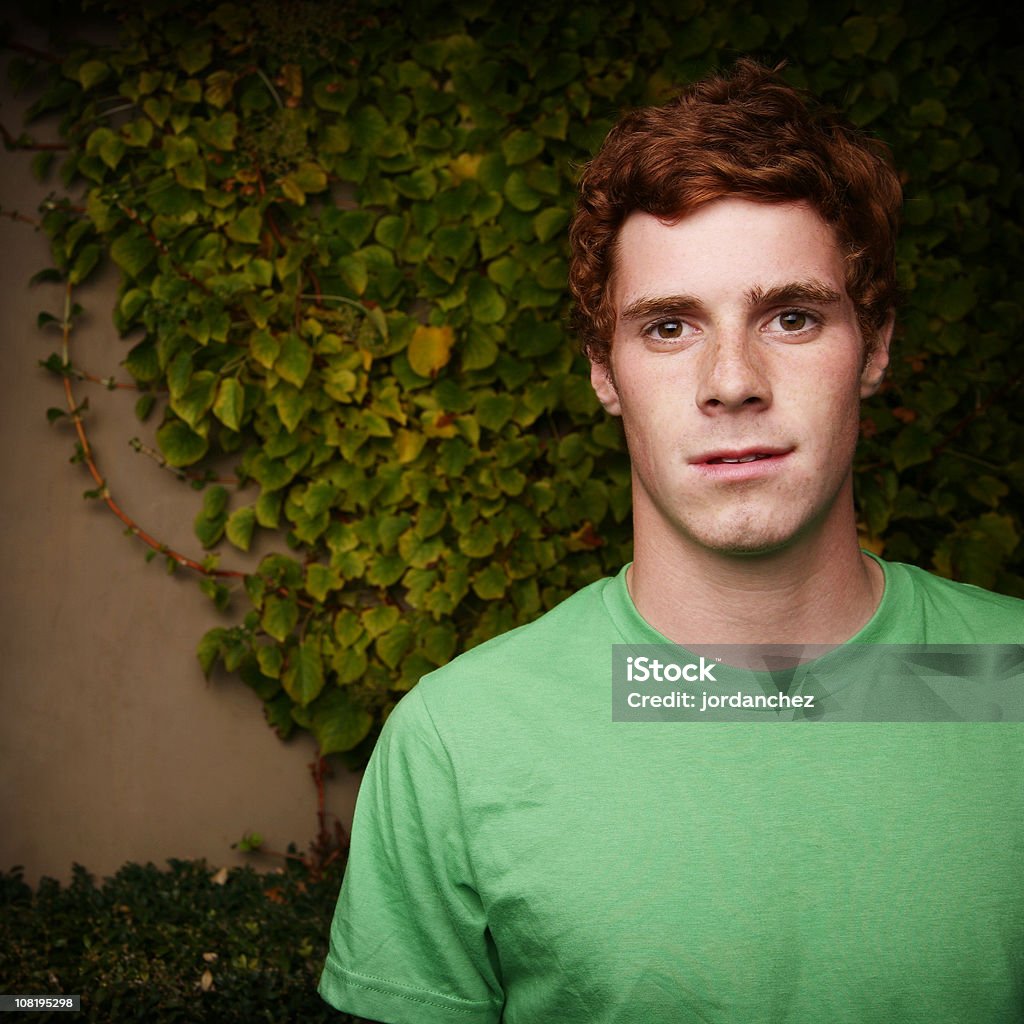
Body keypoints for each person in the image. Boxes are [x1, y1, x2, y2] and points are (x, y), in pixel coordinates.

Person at [319, 60, 1024, 1023]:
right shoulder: (459, 744)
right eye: (668, 327)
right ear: (604, 371)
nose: (732, 381)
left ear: (878, 344)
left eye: (792, 316)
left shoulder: (1009, 679)